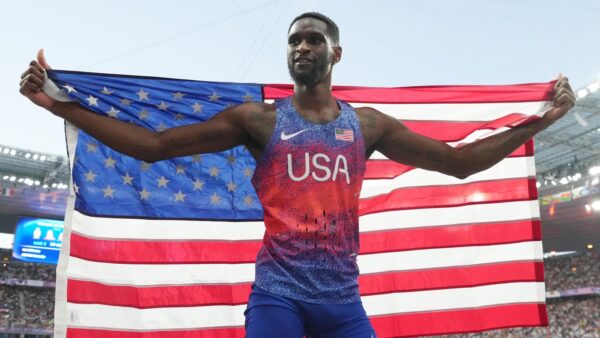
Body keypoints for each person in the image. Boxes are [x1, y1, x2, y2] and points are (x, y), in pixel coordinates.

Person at [19, 12, 575, 338]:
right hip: (278, 296)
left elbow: (459, 163)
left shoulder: (369, 126)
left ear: (335, 52)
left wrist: (543, 121)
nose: (301, 46)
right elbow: (154, 147)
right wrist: (57, 104)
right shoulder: (259, 120)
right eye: (294, 40)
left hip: (342, 301)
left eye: (312, 39)